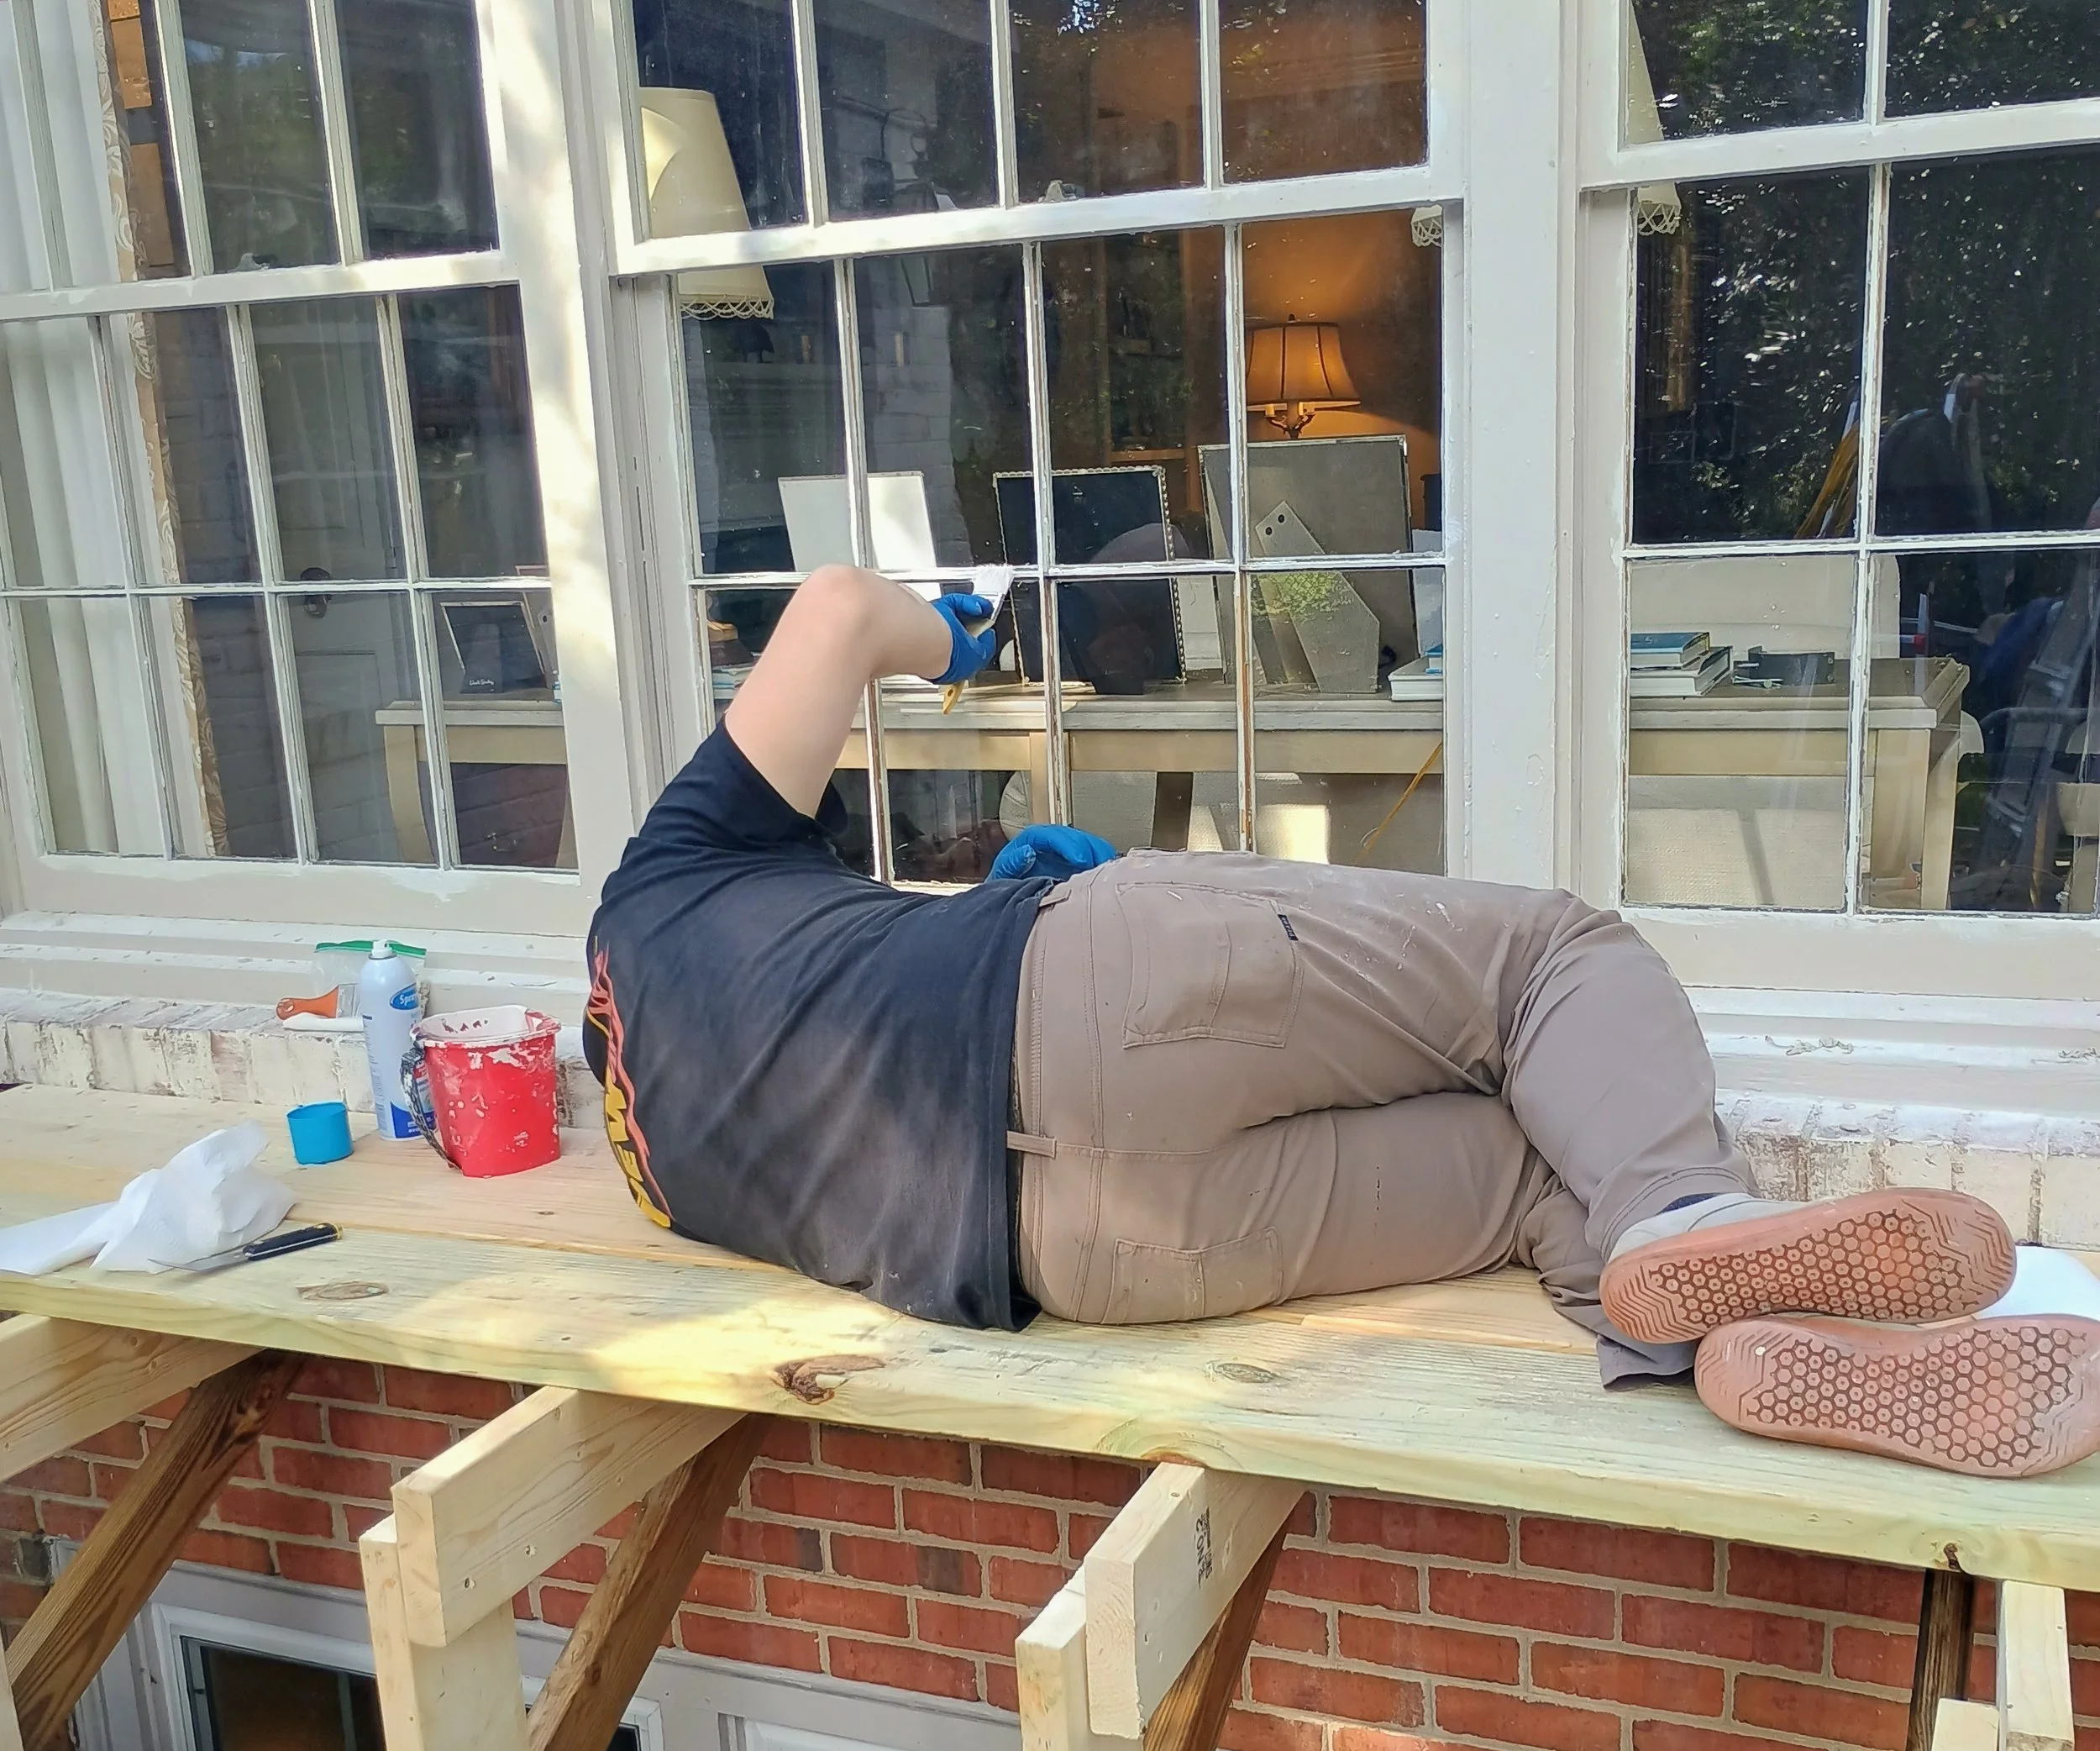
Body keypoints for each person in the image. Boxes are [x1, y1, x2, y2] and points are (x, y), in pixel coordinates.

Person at [584, 563, 2100, 1480]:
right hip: (1078, 987)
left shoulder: (663, 1192)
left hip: (1087, 1256)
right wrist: (961, 638)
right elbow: (838, 615)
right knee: (1551, 962)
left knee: (1519, 1181)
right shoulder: (661, 887)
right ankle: (1682, 1218)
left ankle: (1741, 1346)